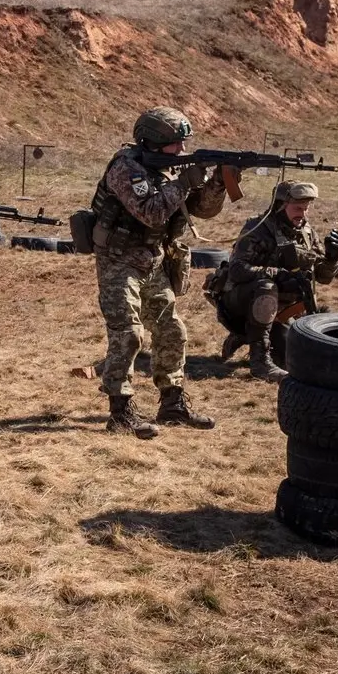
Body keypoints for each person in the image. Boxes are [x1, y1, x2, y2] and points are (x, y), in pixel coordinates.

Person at [89, 108, 230, 439]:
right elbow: (151, 212)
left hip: (153, 260)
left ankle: (173, 403)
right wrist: (184, 181)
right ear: (152, 142)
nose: (181, 151)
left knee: (172, 331)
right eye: (175, 145)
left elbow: (200, 209)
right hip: (119, 261)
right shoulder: (125, 168)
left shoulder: (171, 167)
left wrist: (219, 182)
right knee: (128, 333)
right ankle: (120, 411)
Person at [211, 180, 338, 382]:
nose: (303, 214)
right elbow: (237, 270)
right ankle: (259, 361)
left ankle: (247, 335)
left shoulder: (306, 233)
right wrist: (277, 274)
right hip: (238, 302)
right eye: (298, 208)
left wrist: (333, 259)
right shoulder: (258, 228)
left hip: (280, 311)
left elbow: (324, 278)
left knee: (290, 359)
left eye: (306, 209)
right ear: (280, 206)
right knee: (267, 286)